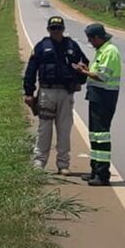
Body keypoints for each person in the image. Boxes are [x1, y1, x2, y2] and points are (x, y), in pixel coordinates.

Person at [23, 15, 89, 174]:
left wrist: (79, 80)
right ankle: (39, 162)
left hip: (66, 93)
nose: (56, 31)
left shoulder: (72, 46)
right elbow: (31, 70)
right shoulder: (41, 46)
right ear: (48, 29)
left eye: (59, 28)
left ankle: (63, 165)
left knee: (64, 130)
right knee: (44, 129)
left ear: (63, 29)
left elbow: (84, 65)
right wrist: (29, 92)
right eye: (53, 28)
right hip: (47, 92)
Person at [73, 22, 122, 186]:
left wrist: (83, 71)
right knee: (94, 135)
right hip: (97, 96)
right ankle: (95, 170)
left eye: (91, 39)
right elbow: (97, 72)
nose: (90, 43)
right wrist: (87, 69)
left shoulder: (110, 51)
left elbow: (102, 76)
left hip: (104, 97)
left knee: (101, 136)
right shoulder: (102, 51)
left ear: (98, 38)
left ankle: (102, 174)